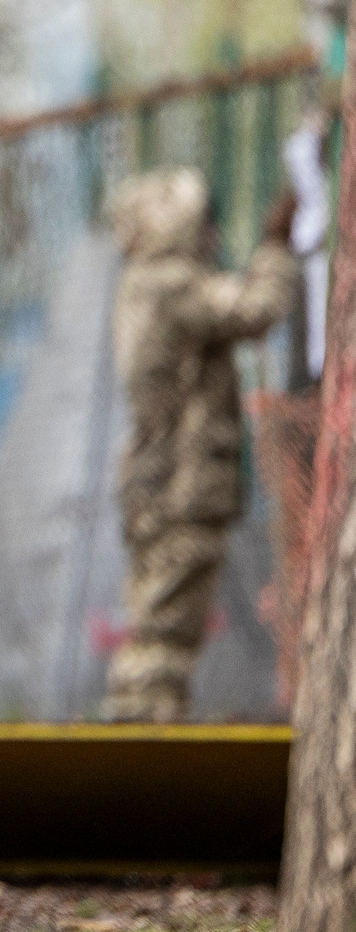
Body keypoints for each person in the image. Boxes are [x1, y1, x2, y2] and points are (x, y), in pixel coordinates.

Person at [103, 169, 295, 722]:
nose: (211, 236)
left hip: (157, 480)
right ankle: (141, 744)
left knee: (159, 620)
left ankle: (142, 731)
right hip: (179, 483)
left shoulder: (143, 282)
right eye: (202, 222)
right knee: (164, 630)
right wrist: (276, 246)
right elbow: (255, 309)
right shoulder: (171, 283)